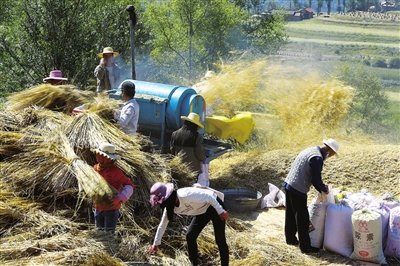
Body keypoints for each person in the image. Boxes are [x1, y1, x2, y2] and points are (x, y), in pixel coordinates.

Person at [147, 182, 229, 266]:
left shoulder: (184, 195)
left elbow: (209, 197)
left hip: (214, 205)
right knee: (190, 235)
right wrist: (155, 244)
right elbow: (162, 225)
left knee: (220, 239)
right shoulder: (170, 207)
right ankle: (194, 264)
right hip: (202, 211)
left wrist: (221, 211)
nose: (162, 205)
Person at [282, 138, 339, 254]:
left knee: (291, 214)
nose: (331, 156)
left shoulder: (310, 150)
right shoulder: (317, 158)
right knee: (302, 218)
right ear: (329, 150)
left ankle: (290, 239)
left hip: (289, 184)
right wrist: (324, 189)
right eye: (332, 154)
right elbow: (315, 179)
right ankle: (306, 247)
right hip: (298, 188)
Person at [91, 142, 134, 235]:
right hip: (98, 207)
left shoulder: (115, 172)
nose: (97, 156)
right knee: (99, 234)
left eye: (100, 155)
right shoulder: (94, 169)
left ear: (107, 159)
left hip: (111, 209)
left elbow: (129, 185)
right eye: (98, 154)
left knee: (108, 235)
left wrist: (120, 197)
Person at [170, 113, 207, 182]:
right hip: (192, 169)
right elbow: (199, 153)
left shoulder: (174, 134)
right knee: (191, 187)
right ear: (195, 125)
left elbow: (172, 150)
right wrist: (203, 159)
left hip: (178, 167)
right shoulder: (196, 136)